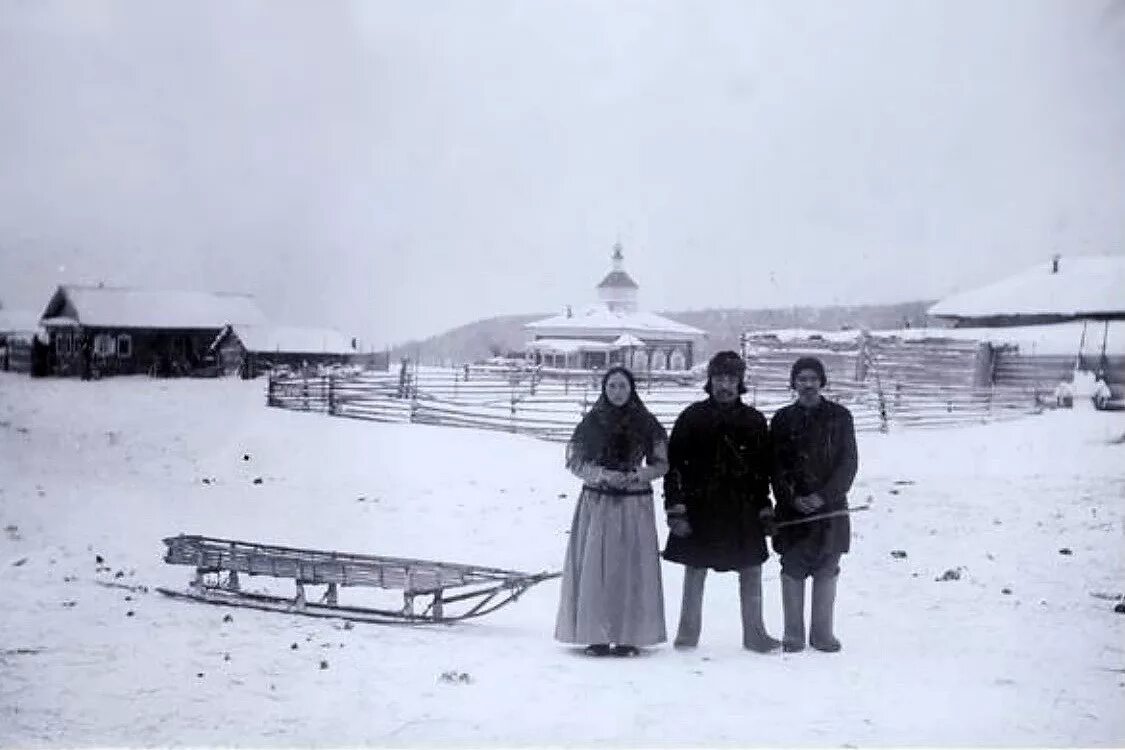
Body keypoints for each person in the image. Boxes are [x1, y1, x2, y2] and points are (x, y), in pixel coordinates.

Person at [662, 351, 779, 653]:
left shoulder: (753, 421)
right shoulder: (692, 417)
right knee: (695, 570)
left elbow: (761, 471)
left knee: (752, 569)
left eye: (730, 378)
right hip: (701, 507)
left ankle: (755, 634)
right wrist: (676, 510)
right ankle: (687, 637)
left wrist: (765, 508)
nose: (724, 384)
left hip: (742, 508)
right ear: (710, 381)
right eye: (718, 378)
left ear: (740, 382)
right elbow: (673, 466)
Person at [555, 365, 670, 657]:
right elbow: (575, 462)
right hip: (599, 502)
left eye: (622, 386)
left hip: (634, 504)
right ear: (604, 390)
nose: (617, 392)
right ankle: (596, 635)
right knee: (598, 567)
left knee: (631, 567)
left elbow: (661, 463)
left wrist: (637, 475)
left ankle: (630, 635)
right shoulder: (592, 423)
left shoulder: (646, 423)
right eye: (612, 386)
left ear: (631, 389)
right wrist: (601, 474)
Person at [770, 356, 858, 653]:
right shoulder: (782, 420)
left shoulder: (840, 417)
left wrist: (823, 496)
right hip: (793, 510)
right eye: (801, 379)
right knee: (793, 565)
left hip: (830, 508)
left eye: (812, 378)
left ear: (822, 382)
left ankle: (822, 633)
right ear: (793, 383)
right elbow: (776, 466)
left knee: (827, 564)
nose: (807, 384)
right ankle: (793, 633)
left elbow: (848, 463)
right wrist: (792, 497)